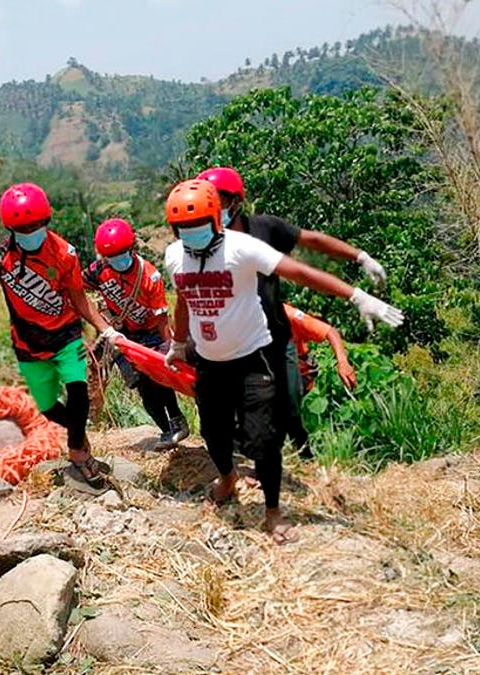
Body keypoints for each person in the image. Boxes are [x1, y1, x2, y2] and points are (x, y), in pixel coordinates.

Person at [161, 179, 402, 544]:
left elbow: (301, 272)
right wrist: (179, 343)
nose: (190, 234)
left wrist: (356, 296)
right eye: (183, 228)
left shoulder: (244, 247)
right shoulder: (174, 255)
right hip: (210, 361)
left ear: (215, 220)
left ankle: (273, 512)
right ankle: (227, 479)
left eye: (197, 226)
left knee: (263, 439)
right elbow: (183, 300)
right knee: (213, 431)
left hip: (252, 357)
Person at [0, 182, 122, 487]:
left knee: (77, 391)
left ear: (46, 221)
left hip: (66, 335)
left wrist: (106, 329)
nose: (31, 231)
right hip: (27, 342)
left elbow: (79, 299)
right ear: (11, 228)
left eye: (36, 225)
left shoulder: (64, 253)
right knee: (47, 407)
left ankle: (77, 454)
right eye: (23, 227)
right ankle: (79, 436)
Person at [194, 166, 392, 453]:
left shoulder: (264, 230)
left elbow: (311, 242)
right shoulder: (200, 244)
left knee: (288, 402)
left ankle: (302, 454)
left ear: (236, 201)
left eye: (219, 202)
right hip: (232, 340)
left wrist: (359, 257)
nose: (214, 209)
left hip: (274, 336)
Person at [84, 218, 189, 449]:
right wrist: (104, 324)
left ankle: (178, 421)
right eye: (112, 256)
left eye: (122, 253)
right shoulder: (99, 271)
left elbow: (162, 319)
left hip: (151, 333)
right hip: (122, 335)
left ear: (131, 249)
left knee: (158, 377)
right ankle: (165, 431)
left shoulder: (150, 277)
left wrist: (169, 349)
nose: (118, 260)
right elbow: (77, 292)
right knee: (140, 384)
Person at [282, 303, 357, 456]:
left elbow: (330, 331)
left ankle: (304, 454)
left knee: (287, 410)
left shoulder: (288, 314)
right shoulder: (242, 315)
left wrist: (342, 362)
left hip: (299, 372)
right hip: (266, 372)